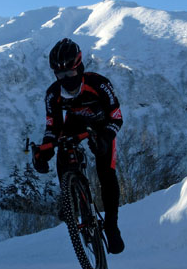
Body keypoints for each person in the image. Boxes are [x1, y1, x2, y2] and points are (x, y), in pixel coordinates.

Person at [32, 38, 125, 254]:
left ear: (80, 67)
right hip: (75, 124)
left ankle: (112, 226)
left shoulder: (99, 84)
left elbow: (117, 117)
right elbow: (52, 127)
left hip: (103, 126)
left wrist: (105, 138)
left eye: (70, 74)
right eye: (60, 76)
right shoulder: (53, 94)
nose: (65, 80)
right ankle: (69, 198)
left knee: (106, 174)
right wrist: (44, 152)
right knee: (62, 147)